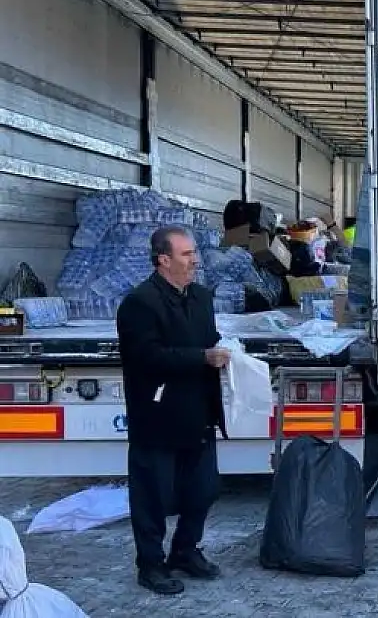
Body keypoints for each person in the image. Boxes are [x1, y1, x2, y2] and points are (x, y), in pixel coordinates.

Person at [116, 226, 228, 596]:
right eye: (186, 254)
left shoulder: (201, 297)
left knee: (204, 489)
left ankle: (185, 550)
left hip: (198, 411)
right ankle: (150, 565)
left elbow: (208, 342)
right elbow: (146, 356)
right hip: (159, 415)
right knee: (153, 495)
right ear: (163, 259)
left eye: (195, 252)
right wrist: (202, 358)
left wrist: (228, 355)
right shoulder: (140, 302)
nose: (195, 260)